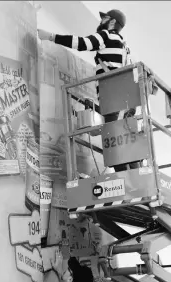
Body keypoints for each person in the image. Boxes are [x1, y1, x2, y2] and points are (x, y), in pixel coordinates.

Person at [38, 9, 140, 170]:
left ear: (112, 22)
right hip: (126, 100)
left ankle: (128, 185)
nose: (101, 22)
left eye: (104, 19)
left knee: (115, 144)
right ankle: (140, 179)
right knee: (124, 140)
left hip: (112, 95)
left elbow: (82, 43)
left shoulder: (107, 35)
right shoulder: (124, 46)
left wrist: (51, 37)